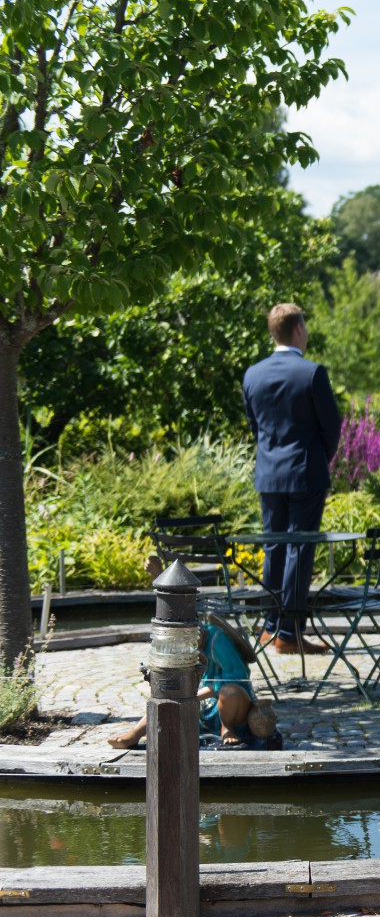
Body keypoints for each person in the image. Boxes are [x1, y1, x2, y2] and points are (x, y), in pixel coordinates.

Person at [242, 303, 342, 654]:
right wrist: (319, 458)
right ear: (299, 329)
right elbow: (332, 427)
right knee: (300, 550)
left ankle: (270, 627)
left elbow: (255, 426)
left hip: (269, 475)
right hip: (305, 473)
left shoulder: (252, 374)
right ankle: (289, 633)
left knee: (274, 548)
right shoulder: (312, 372)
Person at [105, 616, 258, 749]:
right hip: (202, 705)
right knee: (168, 698)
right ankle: (134, 734)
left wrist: (196, 695)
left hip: (232, 706)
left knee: (230, 692)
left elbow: (238, 676)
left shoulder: (217, 640)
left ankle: (227, 728)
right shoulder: (182, 646)